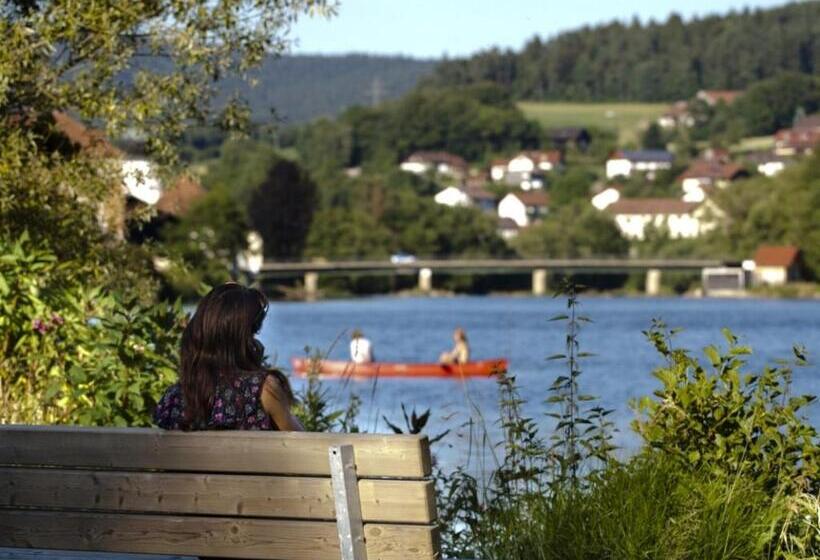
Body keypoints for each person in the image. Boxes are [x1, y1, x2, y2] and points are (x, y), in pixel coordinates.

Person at [154, 283, 303, 432]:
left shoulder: (174, 398)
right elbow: (305, 446)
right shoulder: (262, 390)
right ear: (242, 340)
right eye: (253, 333)